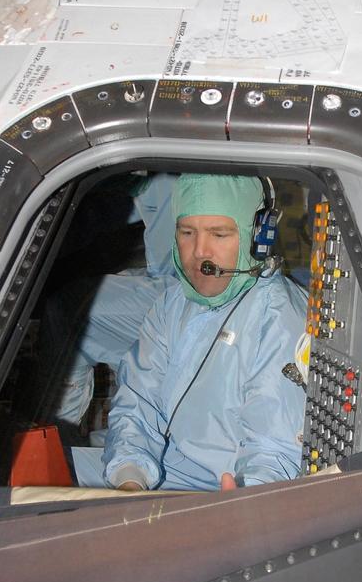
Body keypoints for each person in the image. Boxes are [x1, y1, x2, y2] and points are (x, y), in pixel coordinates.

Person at [71, 173, 308, 492]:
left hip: (225, 489)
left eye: (219, 234)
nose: (199, 252)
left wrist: (247, 500)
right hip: (170, 466)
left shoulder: (278, 316)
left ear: (258, 238)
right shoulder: (174, 301)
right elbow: (139, 400)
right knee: (34, 484)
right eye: (187, 232)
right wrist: (130, 476)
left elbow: (274, 452)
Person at [36, 173, 177, 429]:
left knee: (72, 312)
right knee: (109, 291)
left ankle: (54, 436)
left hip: (192, 298)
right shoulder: (167, 175)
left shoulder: (181, 178)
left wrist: (37, 239)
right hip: (175, 280)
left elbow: (107, 211)